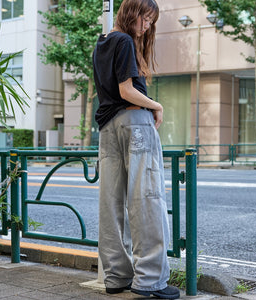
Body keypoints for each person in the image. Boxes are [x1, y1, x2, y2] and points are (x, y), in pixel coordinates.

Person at [92, 0, 180, 299]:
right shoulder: (125, 41)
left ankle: (116, 276)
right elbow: (126, 90)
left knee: (111, 204)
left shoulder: (102, 43)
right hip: (134, 123)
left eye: (150, 22)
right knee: (147, 199)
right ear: (131, 14)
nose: (147, 27)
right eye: (145, 19)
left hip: (107, 128)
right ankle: (150, 280)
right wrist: (157, 105)